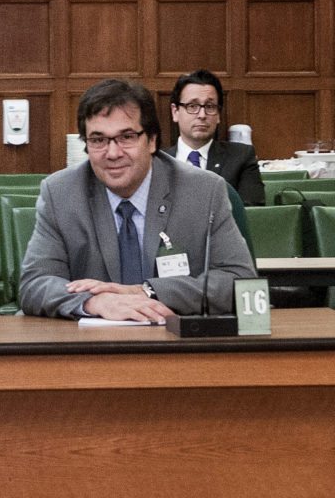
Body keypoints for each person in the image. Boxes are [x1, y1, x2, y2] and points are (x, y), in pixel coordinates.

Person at [19, 78, 255, 322]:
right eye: (98, 140)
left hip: (178, 347)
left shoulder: (204, 191)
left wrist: (147, 292)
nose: (112, 153)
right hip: (90, 351)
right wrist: (93, 301)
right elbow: (35, 284)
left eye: (127, 137)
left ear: (152, 140)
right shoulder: (61, 193)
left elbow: (240, 282)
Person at [163, 69, 265, 206]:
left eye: (210, 106)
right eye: (192, 106)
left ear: (218, 115)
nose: (202, 115)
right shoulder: (157, 162)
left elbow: (251, 215)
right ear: (175, 112)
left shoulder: (241, 157)